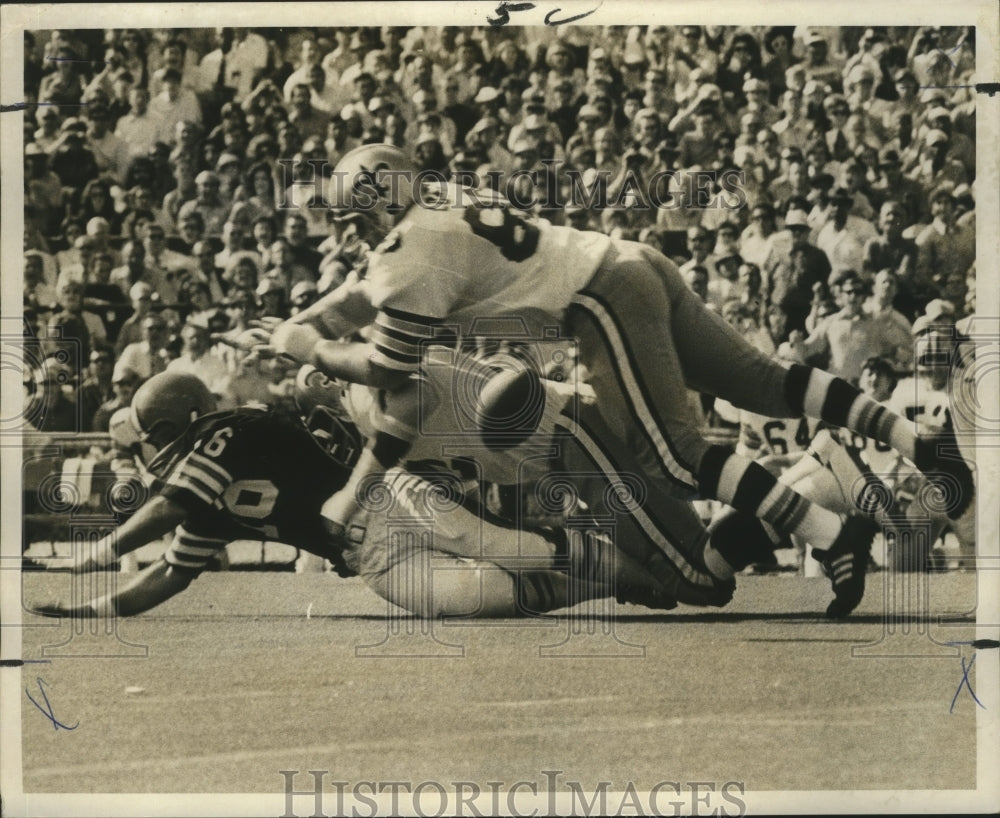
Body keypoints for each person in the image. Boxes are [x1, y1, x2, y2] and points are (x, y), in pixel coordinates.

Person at [272, 144, 974, 618]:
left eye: (360, 214)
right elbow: (366, 291)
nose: (359, 231)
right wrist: (295, 326)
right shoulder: (438, 208)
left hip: (594, 301)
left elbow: (390, 364)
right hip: (625, 263)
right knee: (759, 381)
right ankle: (917, 442)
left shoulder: (412, 248)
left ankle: (830, 528)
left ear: (380, 198)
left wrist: (310, 346)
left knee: (670, 453)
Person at [31, 371, 703, 619]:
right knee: (474, 599)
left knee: (491, 544)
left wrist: (97, 553)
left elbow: (170, 507)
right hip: (369, 559)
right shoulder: (201, 481)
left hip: (383, 499)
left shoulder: (225, 433)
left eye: (148, 437)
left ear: (177, 427)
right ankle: (613, 578)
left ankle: (608, 549)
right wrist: (93, 608)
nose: (146, 451)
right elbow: (172, 575)